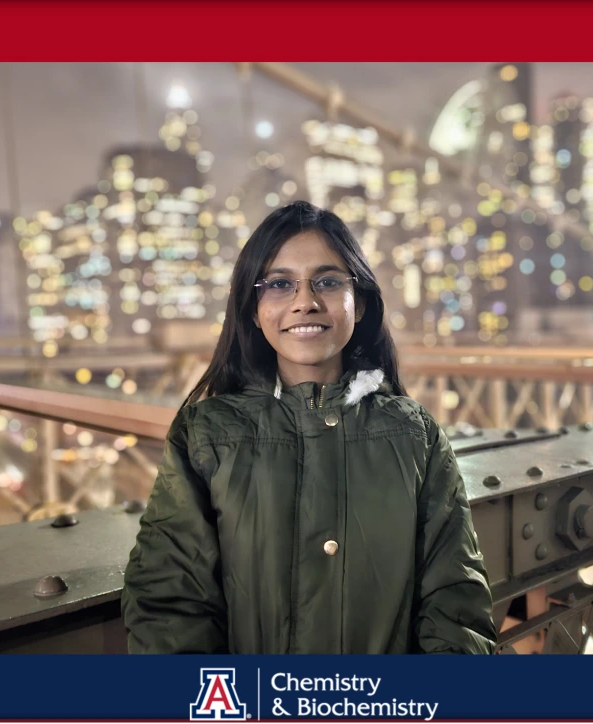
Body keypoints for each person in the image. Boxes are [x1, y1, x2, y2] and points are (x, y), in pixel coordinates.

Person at [121, 201, 496, 654]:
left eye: (329, 281)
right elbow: (170, 606)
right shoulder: (205, 436)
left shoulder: (415, 435)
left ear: (359, 303)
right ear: (253, 311)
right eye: (280, 284)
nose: (305, 301)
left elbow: (456, 604)